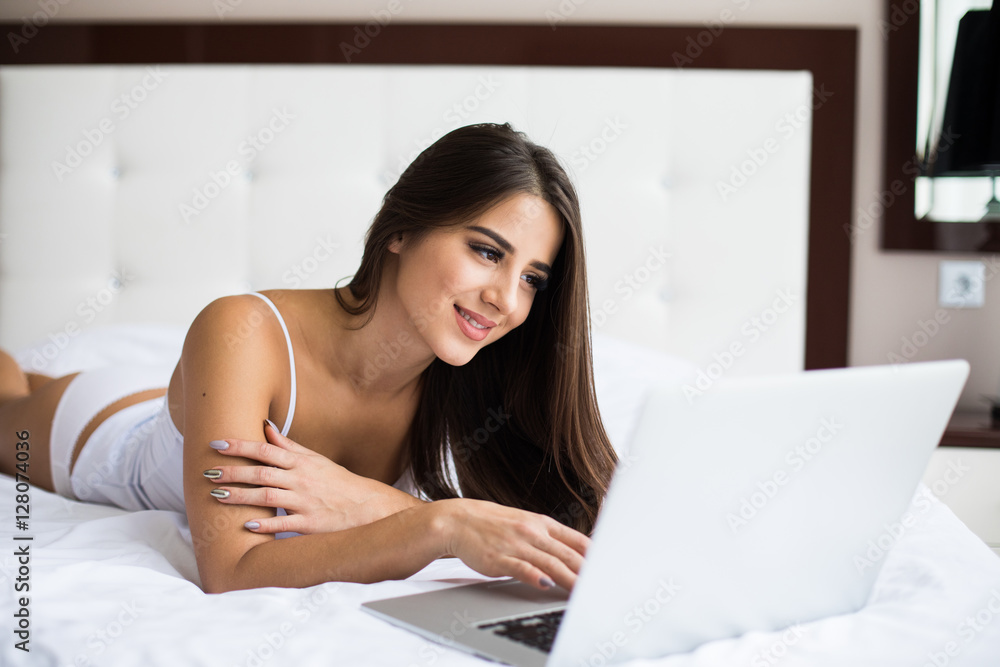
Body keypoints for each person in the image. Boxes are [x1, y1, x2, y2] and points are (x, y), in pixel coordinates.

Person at [0, 122, 619, 594]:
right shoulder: (240, 328)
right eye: (487, 251)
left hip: (206, 403)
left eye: (533, 278)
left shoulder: (466, 367)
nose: (506, 300)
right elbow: (232, 569)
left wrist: (374, 502)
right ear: (401, 229)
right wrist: (442, 526)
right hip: (99, 432)